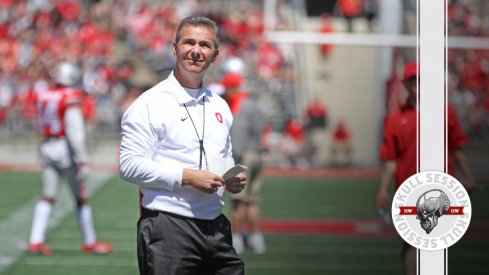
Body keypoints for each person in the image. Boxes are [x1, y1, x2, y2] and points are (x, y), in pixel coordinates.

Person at [119, 16, 246, 275]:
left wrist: (232, 175)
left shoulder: (220, 104)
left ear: (215, 55)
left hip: (216, 225)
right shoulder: (149, 103)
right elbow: (128, 166)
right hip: (169, 226)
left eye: (205, 45)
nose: (196, 51)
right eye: (189, 42)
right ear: (174, 47)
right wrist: (186, 177)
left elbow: (224, 154)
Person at [375, 61, 479, 275]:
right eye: (412, 79)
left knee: (438, 241)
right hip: (408, 186)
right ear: (405, 83)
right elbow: (391, 158)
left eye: (419, 79)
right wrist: (383, 188)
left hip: (441, 187)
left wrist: (467, 176)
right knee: (412, 240)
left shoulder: (445, 113)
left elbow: (456, 147)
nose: (416, 84)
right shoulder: (395, 120)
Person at [28, 62, 112, 256]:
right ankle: (90, 242)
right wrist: (82, 158)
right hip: (65, 149)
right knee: (80, 198)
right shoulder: (69, 97)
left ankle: (35, 240)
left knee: (48, 195)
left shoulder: (44, 94)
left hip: (48, 145)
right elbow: (75, 132)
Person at [221, 72, 267, 254]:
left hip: (245, 156)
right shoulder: (253, 104)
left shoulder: (239, 105)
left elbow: (239, 137)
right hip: (257, 153)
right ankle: (257, 240)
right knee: (253, 202)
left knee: (238, 202)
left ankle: (237, 240)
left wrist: (234, 162)